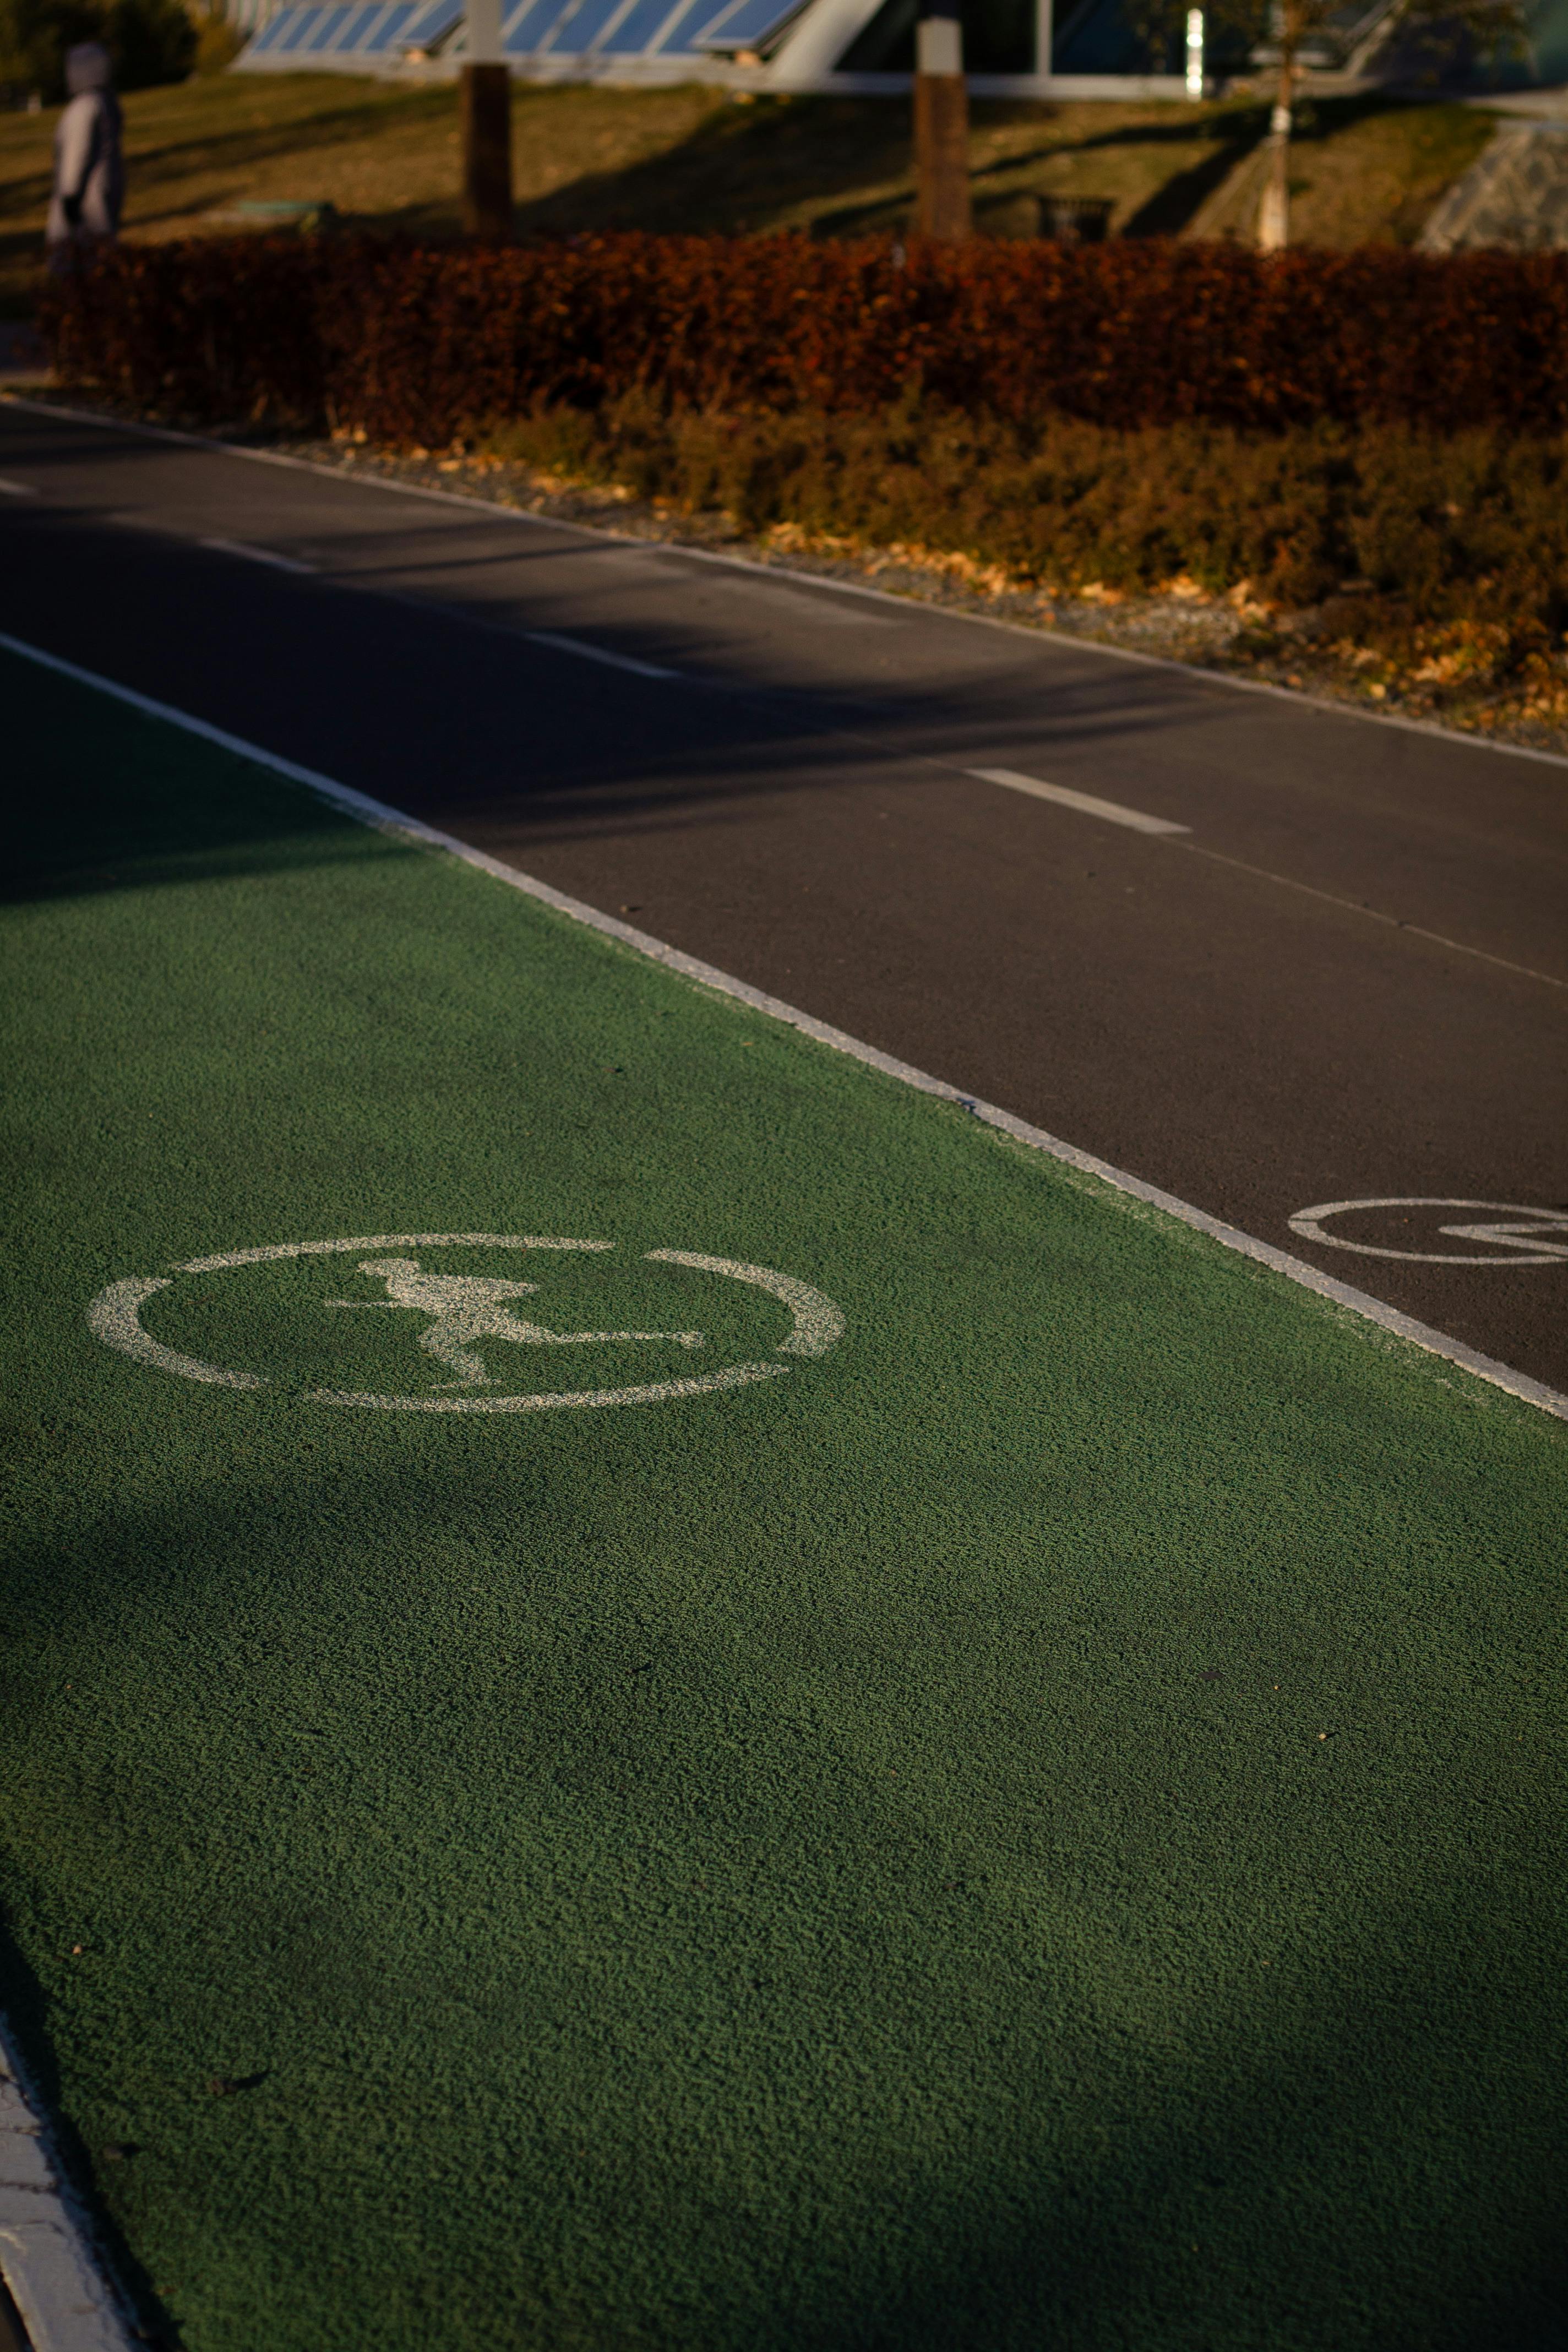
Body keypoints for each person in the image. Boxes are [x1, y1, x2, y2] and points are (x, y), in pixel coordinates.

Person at [46, 42, 124, 272]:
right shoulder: (107, 102)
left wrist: (70, 195)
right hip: (103, 192)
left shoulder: (84, 106)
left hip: (84, 200)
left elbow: (78, 152)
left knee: (76, 262)